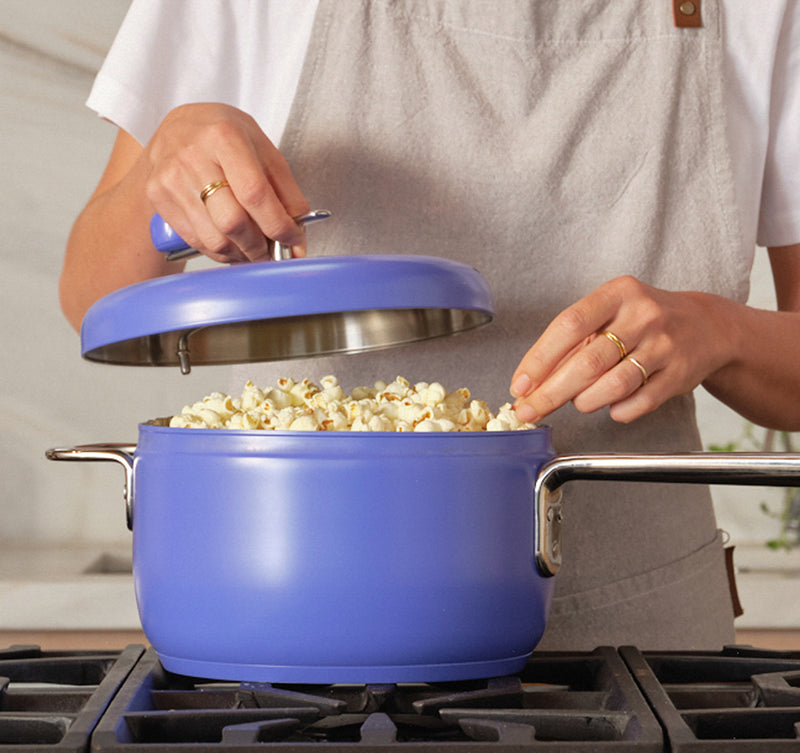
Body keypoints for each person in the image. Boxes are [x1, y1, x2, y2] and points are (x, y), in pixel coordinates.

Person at [60, 0, 800, 650]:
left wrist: (720, 331)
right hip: (293, 618)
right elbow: (92, 294)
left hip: (642, 637)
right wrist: (169, 151)